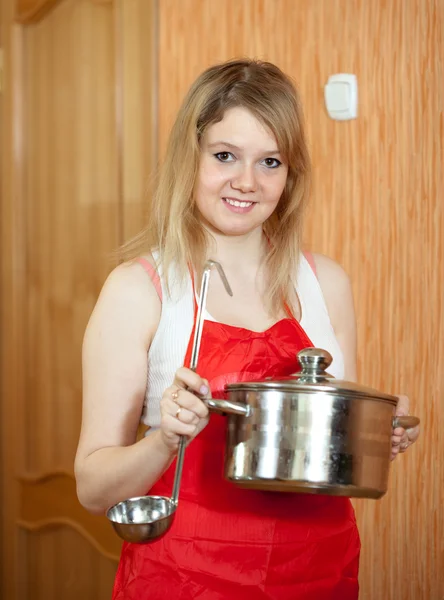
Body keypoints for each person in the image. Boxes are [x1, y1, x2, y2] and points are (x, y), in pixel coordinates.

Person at [74, 59, 420, 599]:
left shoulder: (324, 283)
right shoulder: (140, 290)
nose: (246, 182)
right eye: (224, 155)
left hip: (317, 571)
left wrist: (375, 432)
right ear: (189, 158)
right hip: (184, 578)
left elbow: (330, 443)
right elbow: (94, 488)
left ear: (291, 173)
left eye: (270, 161)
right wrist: (165, 440)